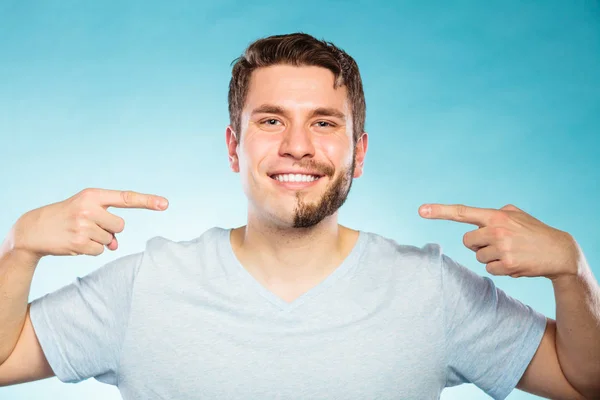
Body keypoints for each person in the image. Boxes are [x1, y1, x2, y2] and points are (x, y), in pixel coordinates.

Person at [0, 32, 598, 400]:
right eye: (270, 120)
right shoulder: (146, 285)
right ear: (233, 147)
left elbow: (583, 382)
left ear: (358, 154)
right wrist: (20, 249)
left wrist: (572, 271)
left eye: (324, 121)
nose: (297, 145)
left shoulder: (430, 288)